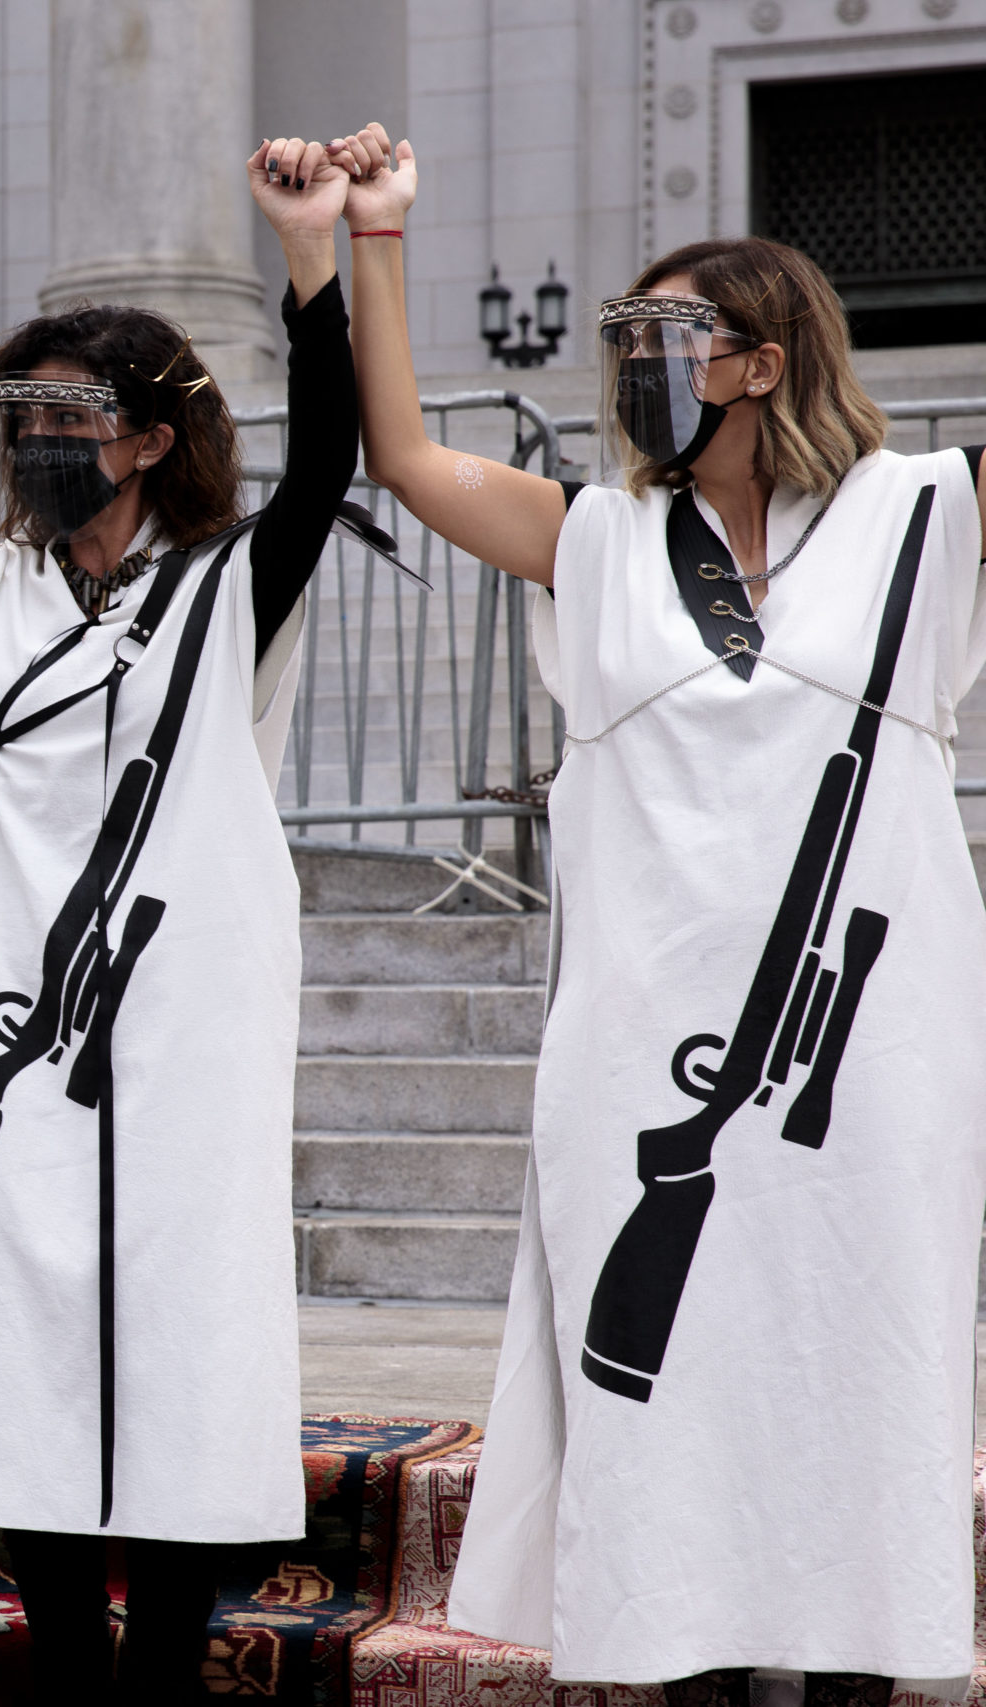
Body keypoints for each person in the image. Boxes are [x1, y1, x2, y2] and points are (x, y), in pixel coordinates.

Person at [333, 119, 986, 1696]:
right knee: (666, 1401)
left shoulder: (926, 514)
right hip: (644, 1045)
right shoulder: (596, 536)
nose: (632, 361)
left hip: (865, 1052)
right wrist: (376, 239)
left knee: (856, 1372)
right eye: (626, 335)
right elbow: (410, 458)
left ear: (762, 363)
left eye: (665, 336)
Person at [0, 135, 368, 1699]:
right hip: (0, 1019)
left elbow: (325, 467)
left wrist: (312, 257)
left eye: (70, 417)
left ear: (150, 438)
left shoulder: (237, 579)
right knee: (7, 1341)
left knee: (173, 1347)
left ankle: (162, 1670)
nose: (36, 442)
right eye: (18, 417)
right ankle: (65, 1659)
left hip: (181, 1018)